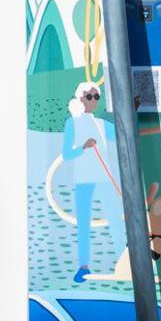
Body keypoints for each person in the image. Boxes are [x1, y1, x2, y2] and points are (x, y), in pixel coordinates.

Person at [63, 81, 117, 283]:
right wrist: (83, 147)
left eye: (97, 97)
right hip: (83, 179)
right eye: (90, 96)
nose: (94, 101)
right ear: (81, 98)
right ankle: (83, 267)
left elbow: (122, 132)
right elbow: (67, 154)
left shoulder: (102, 124)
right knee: (84, 223)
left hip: (104, 178)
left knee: (115, 219)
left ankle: (123, 260)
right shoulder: (72, 124)